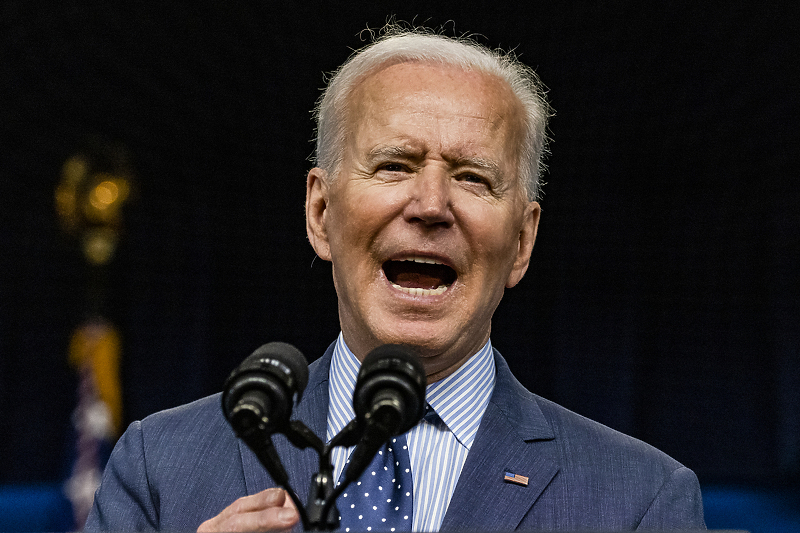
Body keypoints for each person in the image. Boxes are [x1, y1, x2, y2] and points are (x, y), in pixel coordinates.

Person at [86, 27, 706, 531]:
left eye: (472, 177)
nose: (431, 204)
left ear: (522, 242)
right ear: (321, 214)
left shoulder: (641, 502)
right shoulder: (159, 467)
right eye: (394, 165)